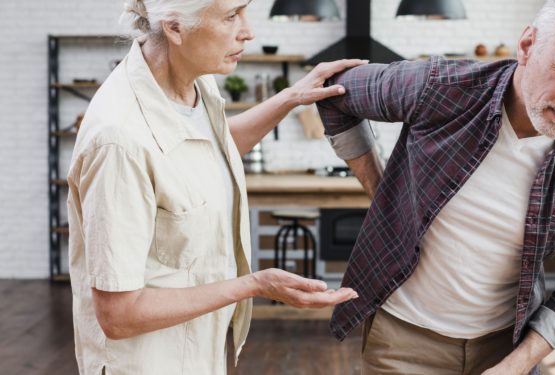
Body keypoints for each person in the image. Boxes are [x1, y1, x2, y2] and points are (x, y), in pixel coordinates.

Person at [316, 0, 555, 374]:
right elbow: (334, 91)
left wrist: (516, 365)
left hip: (505, 348)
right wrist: (381, 189)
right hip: (402, 339)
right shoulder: (441, 86)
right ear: (528, 45)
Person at [66, 0, 365, 373]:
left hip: (198, 351)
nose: (248, 31)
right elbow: (118, 315)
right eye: (231, 15)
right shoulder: (118, 141)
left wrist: (291, 97)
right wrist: (254, 284)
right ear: (175, 29)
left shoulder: (194, 83)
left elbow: (210, 148)